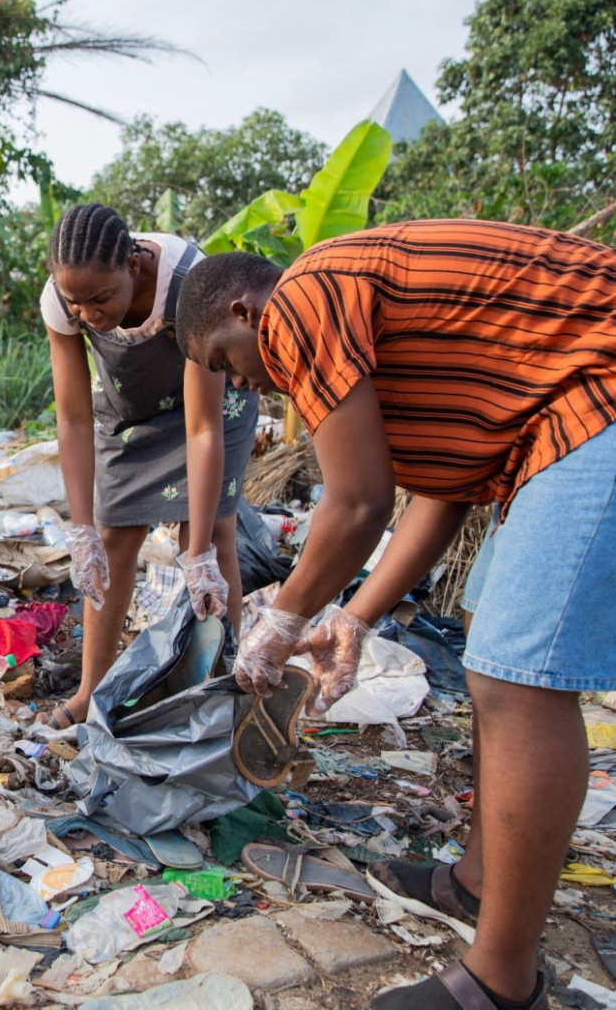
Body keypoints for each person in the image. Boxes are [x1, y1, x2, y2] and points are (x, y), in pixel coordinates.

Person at [175, 219, 616, 1010]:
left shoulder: (301, 298)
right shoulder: (379, 353)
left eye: (222, 363)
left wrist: (281, 619)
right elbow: (437, 495)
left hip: (600, 391)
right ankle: (479, 881)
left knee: (515, 682)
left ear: (243, 311)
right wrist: (354, 616)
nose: (238, 384)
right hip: (552, 423)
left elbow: (356, 503)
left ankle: (497, 984)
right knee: (489, 638)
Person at [39, 204, 258, 729]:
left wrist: (200, 552)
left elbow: (202, 428)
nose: (89, 315)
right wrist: (81, 527)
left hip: (209, 405)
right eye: (76, 303)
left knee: (210, 538)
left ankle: (215, 690)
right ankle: (93, 690)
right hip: (130, 410)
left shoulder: (189, 283)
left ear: (134, 265)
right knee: (112, 539)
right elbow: (71, 416)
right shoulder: (61, 301)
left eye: (100, 299)